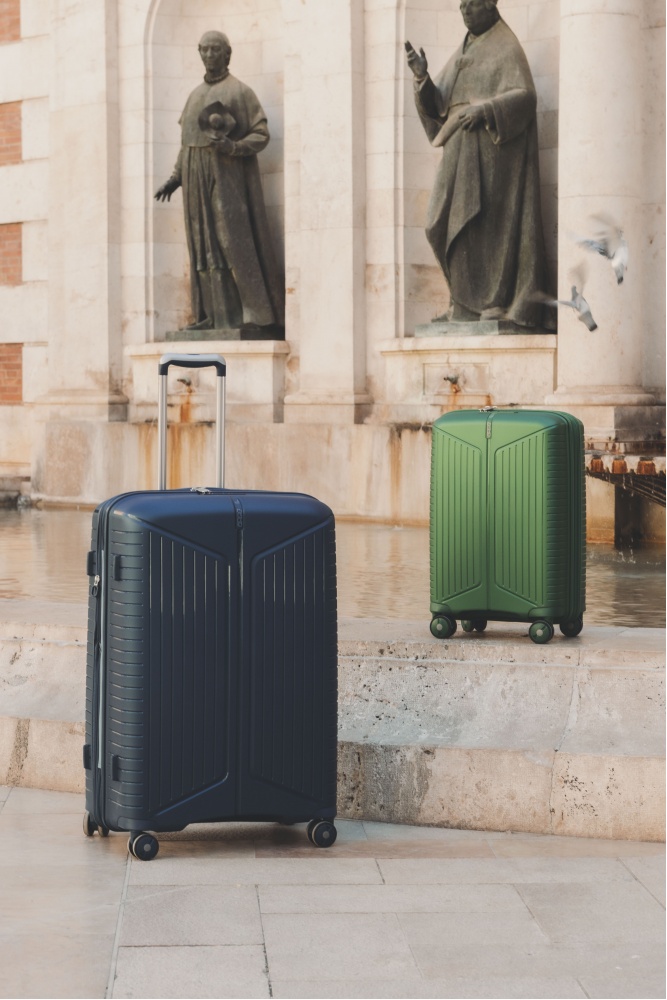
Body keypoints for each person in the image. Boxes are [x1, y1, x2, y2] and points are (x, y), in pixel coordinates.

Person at [406, 0, 549, 327]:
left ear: (490, 6)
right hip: (458, 149)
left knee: (483, 224)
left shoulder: (505, 44)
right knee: (438, 221)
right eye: (462, 6)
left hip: (492, 155)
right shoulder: (464, 48)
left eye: (472, 5)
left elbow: (525, 96)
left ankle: (489, 303)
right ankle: (462, 303)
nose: (465, 11)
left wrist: (485, 110)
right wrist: (422, 77)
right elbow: (439, 105)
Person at [155, 31, 284, 334]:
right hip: (193, 178)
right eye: (206, 49)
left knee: (231, 242)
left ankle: (252, 315)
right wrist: (175, 178)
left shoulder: (240, 92)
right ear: (199, 53)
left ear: (228, 54)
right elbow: (186, 144)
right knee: (203, 247)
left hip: (226, 179)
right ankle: (211, 316)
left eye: (216, 50)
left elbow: (261, 134)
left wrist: (233, 147)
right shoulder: (193, 96)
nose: (210, 55)